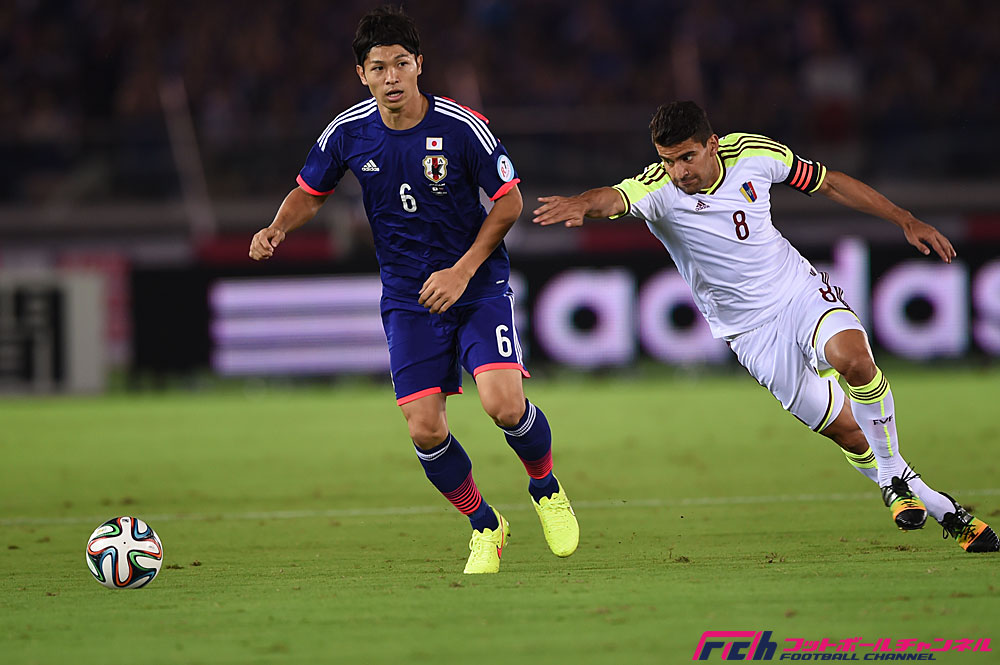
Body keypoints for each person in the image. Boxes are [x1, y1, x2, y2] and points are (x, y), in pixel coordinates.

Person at [532, 100, 997, 554]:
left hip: (797, 292)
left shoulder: (752, 153)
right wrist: (582, 204)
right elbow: (612, 198)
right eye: (668, 161)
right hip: (751, 335)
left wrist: (904, 219)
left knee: (853, 360)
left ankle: (892, 478)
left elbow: (829, 183)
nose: (678, 172)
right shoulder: (658, 191)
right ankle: (946, 511)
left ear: (712, 145)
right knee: (852, 435)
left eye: (687, 157)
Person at [249, 6, 579, 573]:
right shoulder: (347, 132)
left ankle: (546, 489)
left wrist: (462, 271)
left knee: (503, 404)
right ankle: (486, 526)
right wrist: (278, 226)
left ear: (420, 64)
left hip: (475, 283)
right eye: (379, 68)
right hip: (408, 298)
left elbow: (509, 202)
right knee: (425, 429)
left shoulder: (461, 127)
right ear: (362, 74)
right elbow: (309, 191)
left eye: (402, 64)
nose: (392, 77)